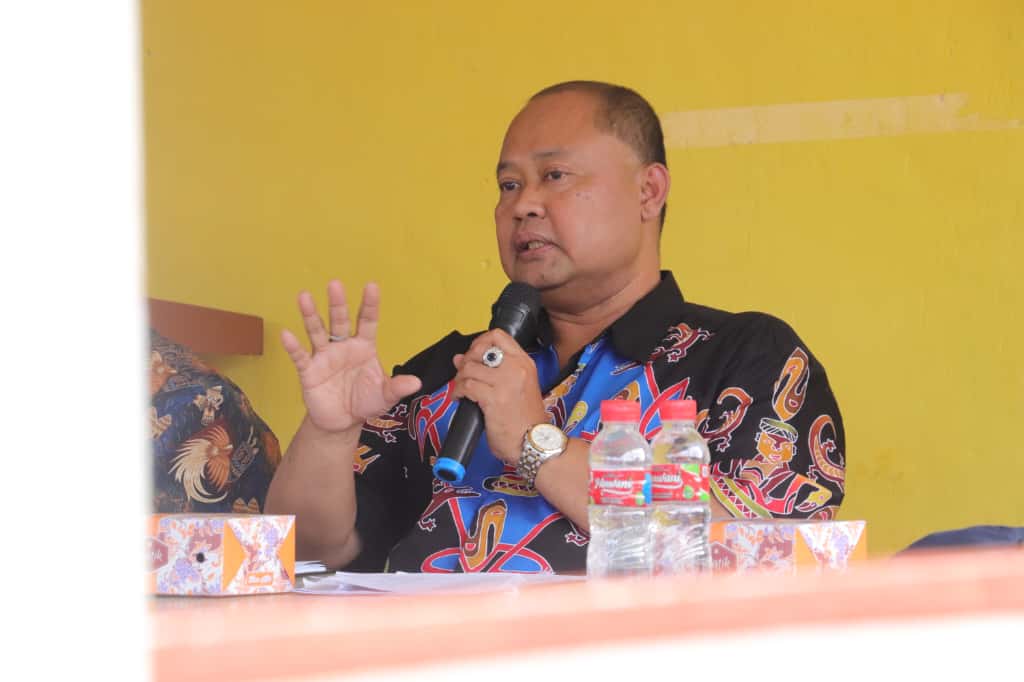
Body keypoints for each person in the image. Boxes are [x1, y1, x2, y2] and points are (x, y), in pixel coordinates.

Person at [265, 81, 846, 573]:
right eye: (509, 185)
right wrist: (330, 435)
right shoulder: (448, 371)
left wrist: (534, 440)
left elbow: (765, 559)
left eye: (555, 175)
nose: (523, 205)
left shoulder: (745, 358)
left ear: (648, 191)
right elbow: (312, 551)